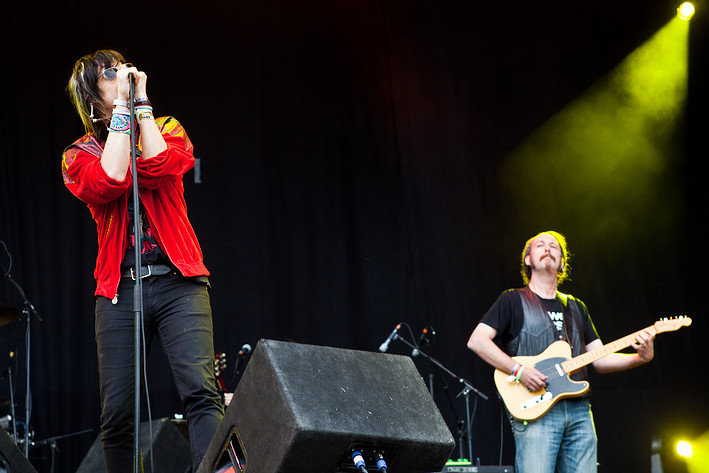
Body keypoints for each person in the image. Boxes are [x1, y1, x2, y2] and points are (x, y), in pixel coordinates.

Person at [62, 49, 223, 472]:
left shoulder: (164, 125)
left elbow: (162, 164)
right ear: (90, 94)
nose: (124, 75)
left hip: (179, 282)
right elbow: (111, 178)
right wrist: (120, 112)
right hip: (119, 290)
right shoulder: (78, 154)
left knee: (202, 395)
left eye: (122, 67)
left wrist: (141, 106)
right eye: (110, 74)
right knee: (117, 413)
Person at [467, 231, 655, 473]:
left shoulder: (577, 307)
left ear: (562, 263)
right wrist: (519, 370)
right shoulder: (512, 300)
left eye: (555, 247)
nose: (548, 248)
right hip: (536, 409)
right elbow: (477, 341)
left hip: (579, 411)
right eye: (540, 245)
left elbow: (600, 359)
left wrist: (641, 357)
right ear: (528, 260)